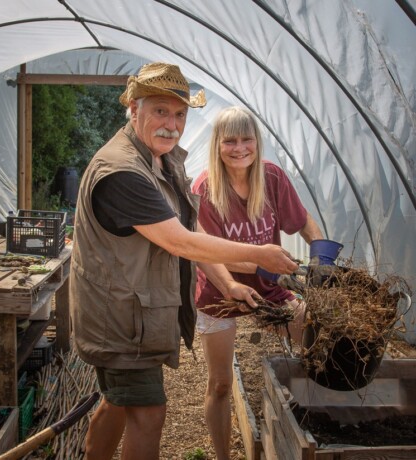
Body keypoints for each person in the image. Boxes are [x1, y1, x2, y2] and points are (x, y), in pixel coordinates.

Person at [69, 63, 300, 460]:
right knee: (148, 413)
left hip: (129, 310)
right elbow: (181, 242)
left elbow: (189, 232)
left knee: (118, 400)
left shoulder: (159, 159)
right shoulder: (123, 170)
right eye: (160, 111)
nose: (172, 124)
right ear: (134, 109)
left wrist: (228, 285)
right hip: (120, 317)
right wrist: (258, 254)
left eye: (179, 114)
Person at [192, 105, 325, 459]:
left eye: (246, 139)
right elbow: (206, 252)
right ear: (217, 144)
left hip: (268, 288)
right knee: (221, 384)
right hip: (220, 291)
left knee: (315, 338)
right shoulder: (205, 188)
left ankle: (309, 427)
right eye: (230, 141)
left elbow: (303, 221)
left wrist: (320, 257)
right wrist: (242, 276)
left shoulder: (272, 178)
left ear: (257, 141)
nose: (239, 148)